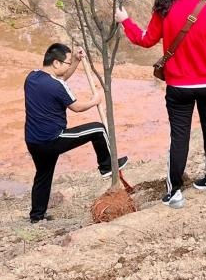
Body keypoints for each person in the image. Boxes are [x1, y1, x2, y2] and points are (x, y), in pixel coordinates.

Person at [116, 0, 206, 208]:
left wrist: (125, 21)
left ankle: (175, 193)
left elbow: (146, 40)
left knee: (179, 137)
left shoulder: (166, 8)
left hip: (179, 88)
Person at [23, 43, 128, 223]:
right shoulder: (56, 85)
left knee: (43, 175)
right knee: (97, 129)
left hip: (34, 141)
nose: (68, 66)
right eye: (67, 63)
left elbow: (60, 80)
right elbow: (77, 107)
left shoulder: (32, 77)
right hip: (53, 139)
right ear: (56, 63)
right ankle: (106, 166)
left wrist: (76, 61)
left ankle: (36, 217)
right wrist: (94, 101)